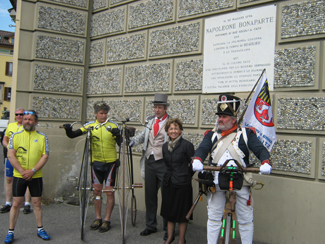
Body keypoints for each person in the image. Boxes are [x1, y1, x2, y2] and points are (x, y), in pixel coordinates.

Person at [192, 94, 272, 244]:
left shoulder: (246, 134)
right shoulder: (211, 135)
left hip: (241, 181)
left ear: (234, 119)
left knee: (246, 219)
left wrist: (266, 162)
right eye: (219, 116)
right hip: (217, 181)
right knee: (214, 218)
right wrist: (198, 159)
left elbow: (260, 150)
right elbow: (203, 149)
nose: (220, 119)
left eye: (224, 116)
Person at [63, 102, 121, 233]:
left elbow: (121, 143)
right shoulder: (90, 126)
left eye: (105, 113)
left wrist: (117, 134)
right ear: (95, 114)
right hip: (96, 163)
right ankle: (98, 218)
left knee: (109, 192)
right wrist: (68, 129)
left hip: (111, 163)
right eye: (101, 113)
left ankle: (107, 220)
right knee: (97, 191)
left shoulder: (113, 125)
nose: (103, 116)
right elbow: (73, 135)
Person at [4, 110, 50, 243]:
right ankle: (10, 232)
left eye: (30, 119)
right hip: (19, 175)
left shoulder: (42, 137)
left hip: (36, 176)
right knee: (16, 204)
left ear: (36, 121)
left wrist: (33, 171)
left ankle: (40, 229)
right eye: (25, 119)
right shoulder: (16, 136)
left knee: (36, 203)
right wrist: (22, 171)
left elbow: (45, 156)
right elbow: (11, 155)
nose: (27, 122)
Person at [129, 93, 170, 240]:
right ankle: (150, 225)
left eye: (159, 107)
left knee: (167, 196)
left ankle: (168, 228)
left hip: (164, 162)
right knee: (150, 195)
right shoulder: (149, 121)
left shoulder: (171, 122)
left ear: (165, 108)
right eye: (155, 107)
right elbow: (142, 136)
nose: (157, 110)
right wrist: (132, 141)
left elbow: (176, 139)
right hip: (150, 162)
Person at [160, 118, 195, 244]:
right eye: (171, 129)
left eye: (176, 128)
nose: (173, 131)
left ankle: (181, 240)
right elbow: (166, 164)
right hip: (168, 183)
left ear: (180, 130)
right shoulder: (164, 147)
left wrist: (184, 175)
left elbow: (193, 166)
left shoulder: (187, 145)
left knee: (182, 214)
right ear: (167, 131)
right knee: (169, 212)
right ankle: (170, 237)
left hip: (182, 184)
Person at [1, 108, 32, 214]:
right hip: (11, 156)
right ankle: (8, 203)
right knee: (9, 179)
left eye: (21, 114)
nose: (19, 116)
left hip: (23, 156)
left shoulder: (27, 125)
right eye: (17, 114)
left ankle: (27, 203)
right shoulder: (11, 125)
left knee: (27, 178)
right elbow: (5, 139)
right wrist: (9, 147)